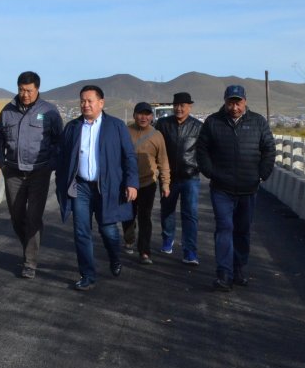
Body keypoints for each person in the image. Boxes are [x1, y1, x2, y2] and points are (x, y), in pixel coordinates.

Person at [56, 85, 139, 291]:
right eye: (82, 101)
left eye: (90, 101)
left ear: (101, 103)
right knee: (81, 231)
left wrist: (131, 182)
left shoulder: (116, 126)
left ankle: (114, 257)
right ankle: (87, 275)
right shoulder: (73, 127)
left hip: (107, 188)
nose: (85, 104)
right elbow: (62, 156)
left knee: (108, 230)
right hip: (81, 187)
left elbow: (129, 156)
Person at [196, 85, 275, 292]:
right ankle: (224, 273)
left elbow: (269, 149)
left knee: (243, 230)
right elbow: (201, 149)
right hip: (221, 188)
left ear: (245, 102)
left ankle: (238, 268)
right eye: (230, 102)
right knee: (224, 228)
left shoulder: (258, 122)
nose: (234, 107)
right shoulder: (213, 122)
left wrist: (261, 174)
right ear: (225, 102)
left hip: (248, 188)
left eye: (238, 103)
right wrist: (210, 172)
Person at [0, 71, 64, 279]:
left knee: (33, 217)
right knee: (16, 217)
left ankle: (30, 262)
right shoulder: (7, 111)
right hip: (13, 173)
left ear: (37, 89)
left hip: (39, 172)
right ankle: (29, 247)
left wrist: (51, 165)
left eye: (29, 90)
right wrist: (2, 164)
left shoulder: (49, 111)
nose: (25, 94)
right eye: (21, 90)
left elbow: (60, 141)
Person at [155, 91, 203, 265]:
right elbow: (156, 147)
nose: (179, 109)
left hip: (191, 177)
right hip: (168, 177)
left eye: (182, 105)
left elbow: (204, 150)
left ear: (190, 107)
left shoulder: (198, 126)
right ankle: (168, 239)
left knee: (190, 214)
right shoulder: (163, 124)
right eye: (176, 105)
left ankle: (190, 251)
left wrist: (199, 167)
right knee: (167, 210)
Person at [125, 102, 171, 265]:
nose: (143, 117)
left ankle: (144, 251)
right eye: (140, 114)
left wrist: (165, 183)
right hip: (127, 183)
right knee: (128, 216)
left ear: (151, 117)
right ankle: (129, 238)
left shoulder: (157, 135)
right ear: (134, 115)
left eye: (147, 114)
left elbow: (163, 161)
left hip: (148, 183)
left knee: (145, 217)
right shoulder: (125, 132)